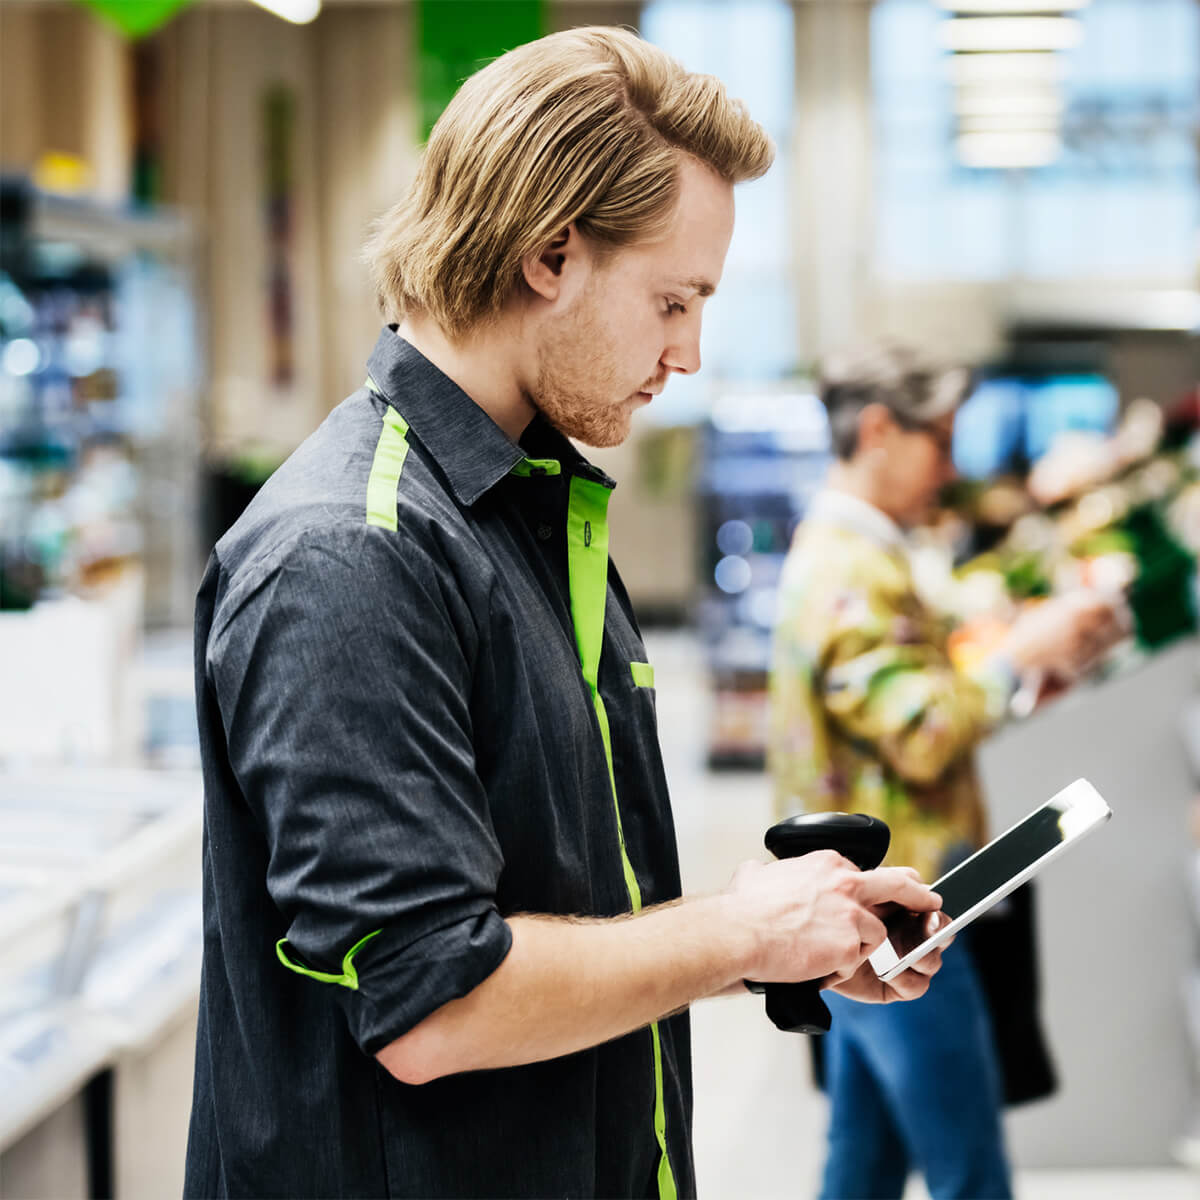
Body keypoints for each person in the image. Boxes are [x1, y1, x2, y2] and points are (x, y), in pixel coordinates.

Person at [183, 29, 952, 1200]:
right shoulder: (352, 551)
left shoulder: (533, 512)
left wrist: (784, 927)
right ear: (549, 253)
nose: (688, 352)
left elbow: (560, 905)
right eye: (673, 300)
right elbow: (435, 1001)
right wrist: (740, 935)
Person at [767, 342, 1127, 1200]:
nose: (950, 466)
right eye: (939, 439)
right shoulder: (848, 568)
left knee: (865, 1162)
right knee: (970, 1171)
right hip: (907, 911)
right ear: (880, 431)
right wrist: (1018, 658)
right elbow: (924, 729)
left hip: (870, 905)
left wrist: (1024, 664)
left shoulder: (866, 553)